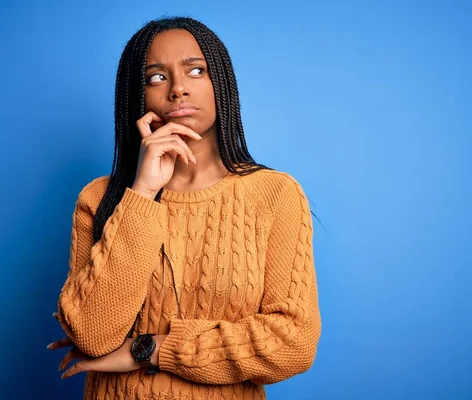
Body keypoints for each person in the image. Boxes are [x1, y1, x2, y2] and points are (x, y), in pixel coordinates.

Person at [46, 16, 322, 399]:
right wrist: (143, 192)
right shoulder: (99, 198)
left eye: (196, 70)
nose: (178, 89)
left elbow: (292, 343)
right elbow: (92, 335)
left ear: (220, 83)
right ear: (137, 97)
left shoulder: (275, 194)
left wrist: (149, 350)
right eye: (156, 77)